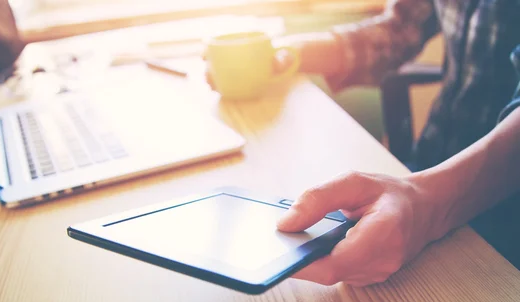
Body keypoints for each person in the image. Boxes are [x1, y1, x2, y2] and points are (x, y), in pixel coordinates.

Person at [206, 0, 520, 285]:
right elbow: (399, 30)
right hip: (427, 162)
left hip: (505, 205)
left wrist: (428, 205)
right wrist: (285, 55)